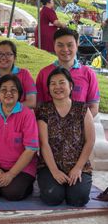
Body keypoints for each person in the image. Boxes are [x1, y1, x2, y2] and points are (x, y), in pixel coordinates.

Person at [36, 67, 94, 207]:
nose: (57, 87)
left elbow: (90, 141)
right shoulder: (43, 110)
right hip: (50, 166)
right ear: (48, 88)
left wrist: (78, 168)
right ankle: (56, 185)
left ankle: (72, 187)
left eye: (62, 82)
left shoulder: (82, 109)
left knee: (78, 199)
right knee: (52, 197)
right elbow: (44, 144)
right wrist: (55, 171)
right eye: (53, 83)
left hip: (77, 164)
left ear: (71, 85)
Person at [0, 75, 39, 201]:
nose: (8, 93)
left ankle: (27, 186)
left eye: (13, 90)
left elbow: (30, 149)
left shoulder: (27, 114)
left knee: (12, 193)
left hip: (23, 167)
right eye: (3, 90)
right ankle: (3, 179)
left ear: (19, 94)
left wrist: (11, 175)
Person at [36, 28, 100, 116]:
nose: (65, 49)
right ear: (54, 45)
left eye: (70, 45)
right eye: (60, 45)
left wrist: (76, 125)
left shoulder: (88, 74)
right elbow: (38, 105)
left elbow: (93, 107)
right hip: (50, 127)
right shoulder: (43, 73)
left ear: (77, 45)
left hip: (80, 127)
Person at [0, 40, 36, 110]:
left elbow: (32, 102)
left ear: (14, 57)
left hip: (23, 120)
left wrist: (4, 107)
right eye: (0, 53)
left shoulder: (24, 74)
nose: (4, 57)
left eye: (8, 54)